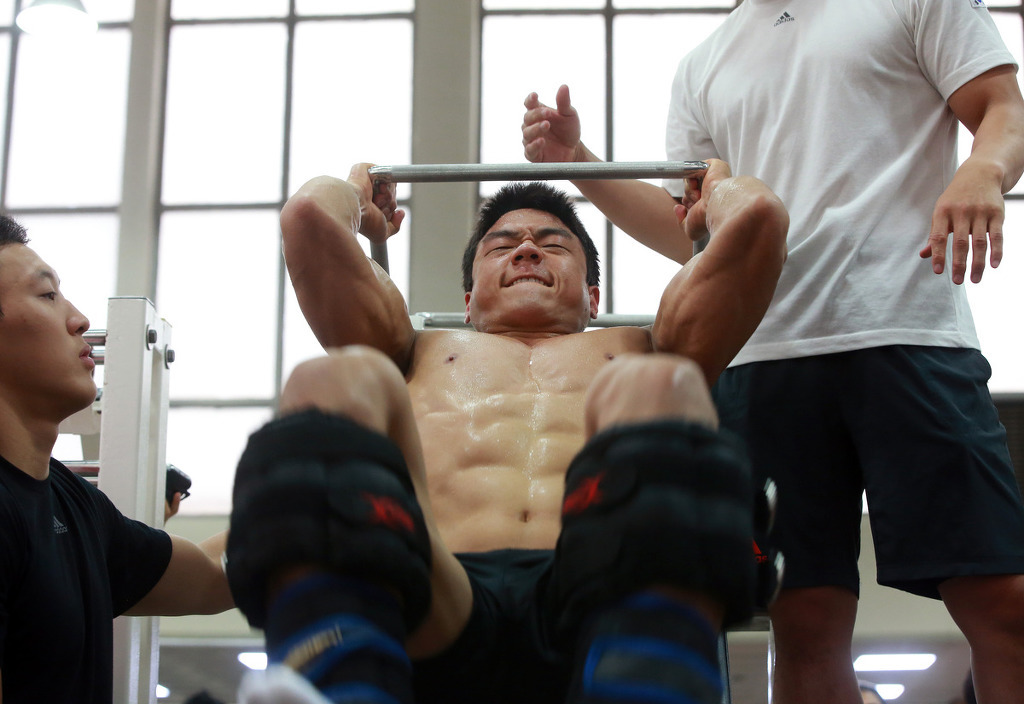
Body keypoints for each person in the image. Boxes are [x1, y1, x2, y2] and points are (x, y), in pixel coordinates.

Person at [520, 1, 1024, 703]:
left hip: (905, 329)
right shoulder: (704, 64)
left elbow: (1001, 105)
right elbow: (689, 235)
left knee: (1004, 605)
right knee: (805, 628)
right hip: (762, 356)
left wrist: (983, 172)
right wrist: (578, 163)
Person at [225, 158, 788, 704]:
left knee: (663, 383)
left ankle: (646, 685)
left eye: (554, 244)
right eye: (501, 246)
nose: (526, 249)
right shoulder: (413, 349)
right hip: (438, 594)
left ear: (593, 297)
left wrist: (715, 197)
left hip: (600, 595)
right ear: (469, 302)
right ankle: (339, 686)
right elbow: (308, 218)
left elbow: (758, 218)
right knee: (331, 379)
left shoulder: (645, 347)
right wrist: (358, 198)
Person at [0, 215, 235, 703]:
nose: (80, 319)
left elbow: (213, 576)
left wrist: (320, 485)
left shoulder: (72, 504)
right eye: (47, 295)